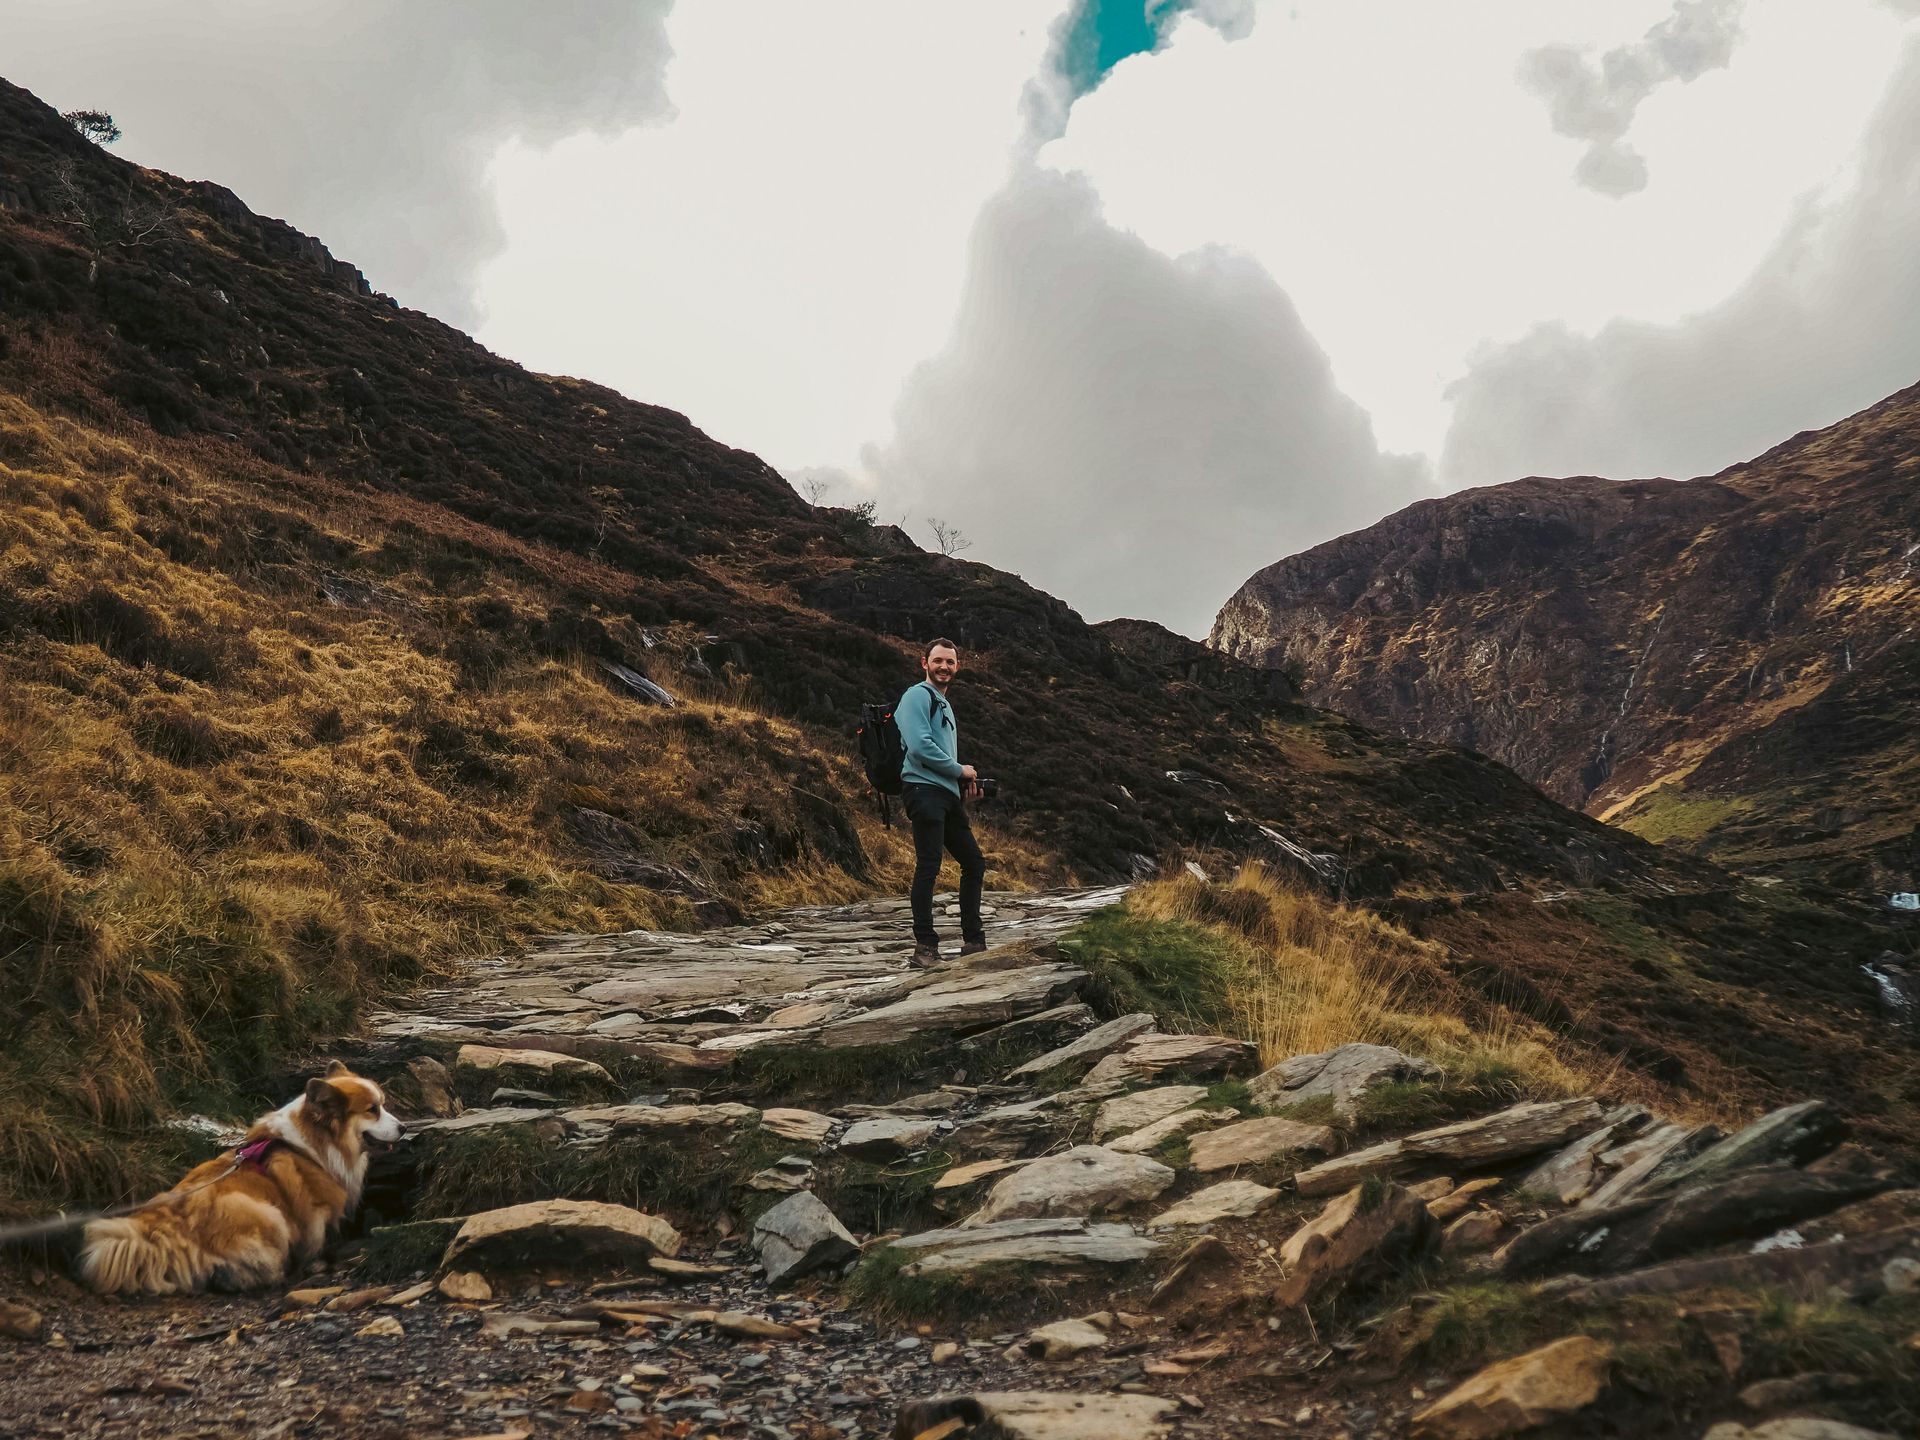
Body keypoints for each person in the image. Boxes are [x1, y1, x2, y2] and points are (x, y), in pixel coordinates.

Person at [896, 637, 987, 965]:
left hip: (945, 795)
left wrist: (962, 787)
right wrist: (959, 769)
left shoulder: (944, 704)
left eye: (950, 662)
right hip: (922, 790)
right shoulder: (916, 696)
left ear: (957, 666)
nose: (944, 667)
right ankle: (925, 948)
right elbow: (919, 747)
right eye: (938, 661)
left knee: (974, 863)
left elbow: (938, 755)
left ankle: (974, 941)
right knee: (929, 864)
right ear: (925, 663)